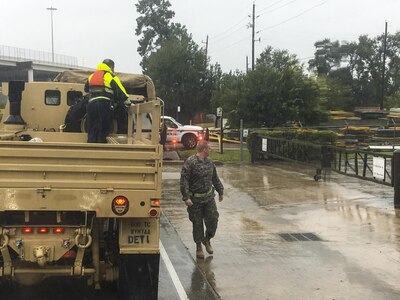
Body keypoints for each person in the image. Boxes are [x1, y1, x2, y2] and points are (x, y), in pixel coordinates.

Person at [180, 140, 224, 258]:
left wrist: (220, 191)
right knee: (197, 224)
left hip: (209, 198)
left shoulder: (210, 162)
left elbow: (215, 178)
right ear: (204, 149)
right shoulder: (190, 162)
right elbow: (184, 181)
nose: (210, 150)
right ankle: (199, 247)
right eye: (209, 148)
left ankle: (207, 239)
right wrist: (186, 197)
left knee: (213, 220)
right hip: (195, 200)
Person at [84, 59, 129, 143]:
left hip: (91, 105)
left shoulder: (92, 76)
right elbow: (122, 93)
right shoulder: (110, 76)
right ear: (111, 67)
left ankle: (91, 147)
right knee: (104, 127)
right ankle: (102, 146)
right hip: (104, 105)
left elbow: (86, 89)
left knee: (92, 128)